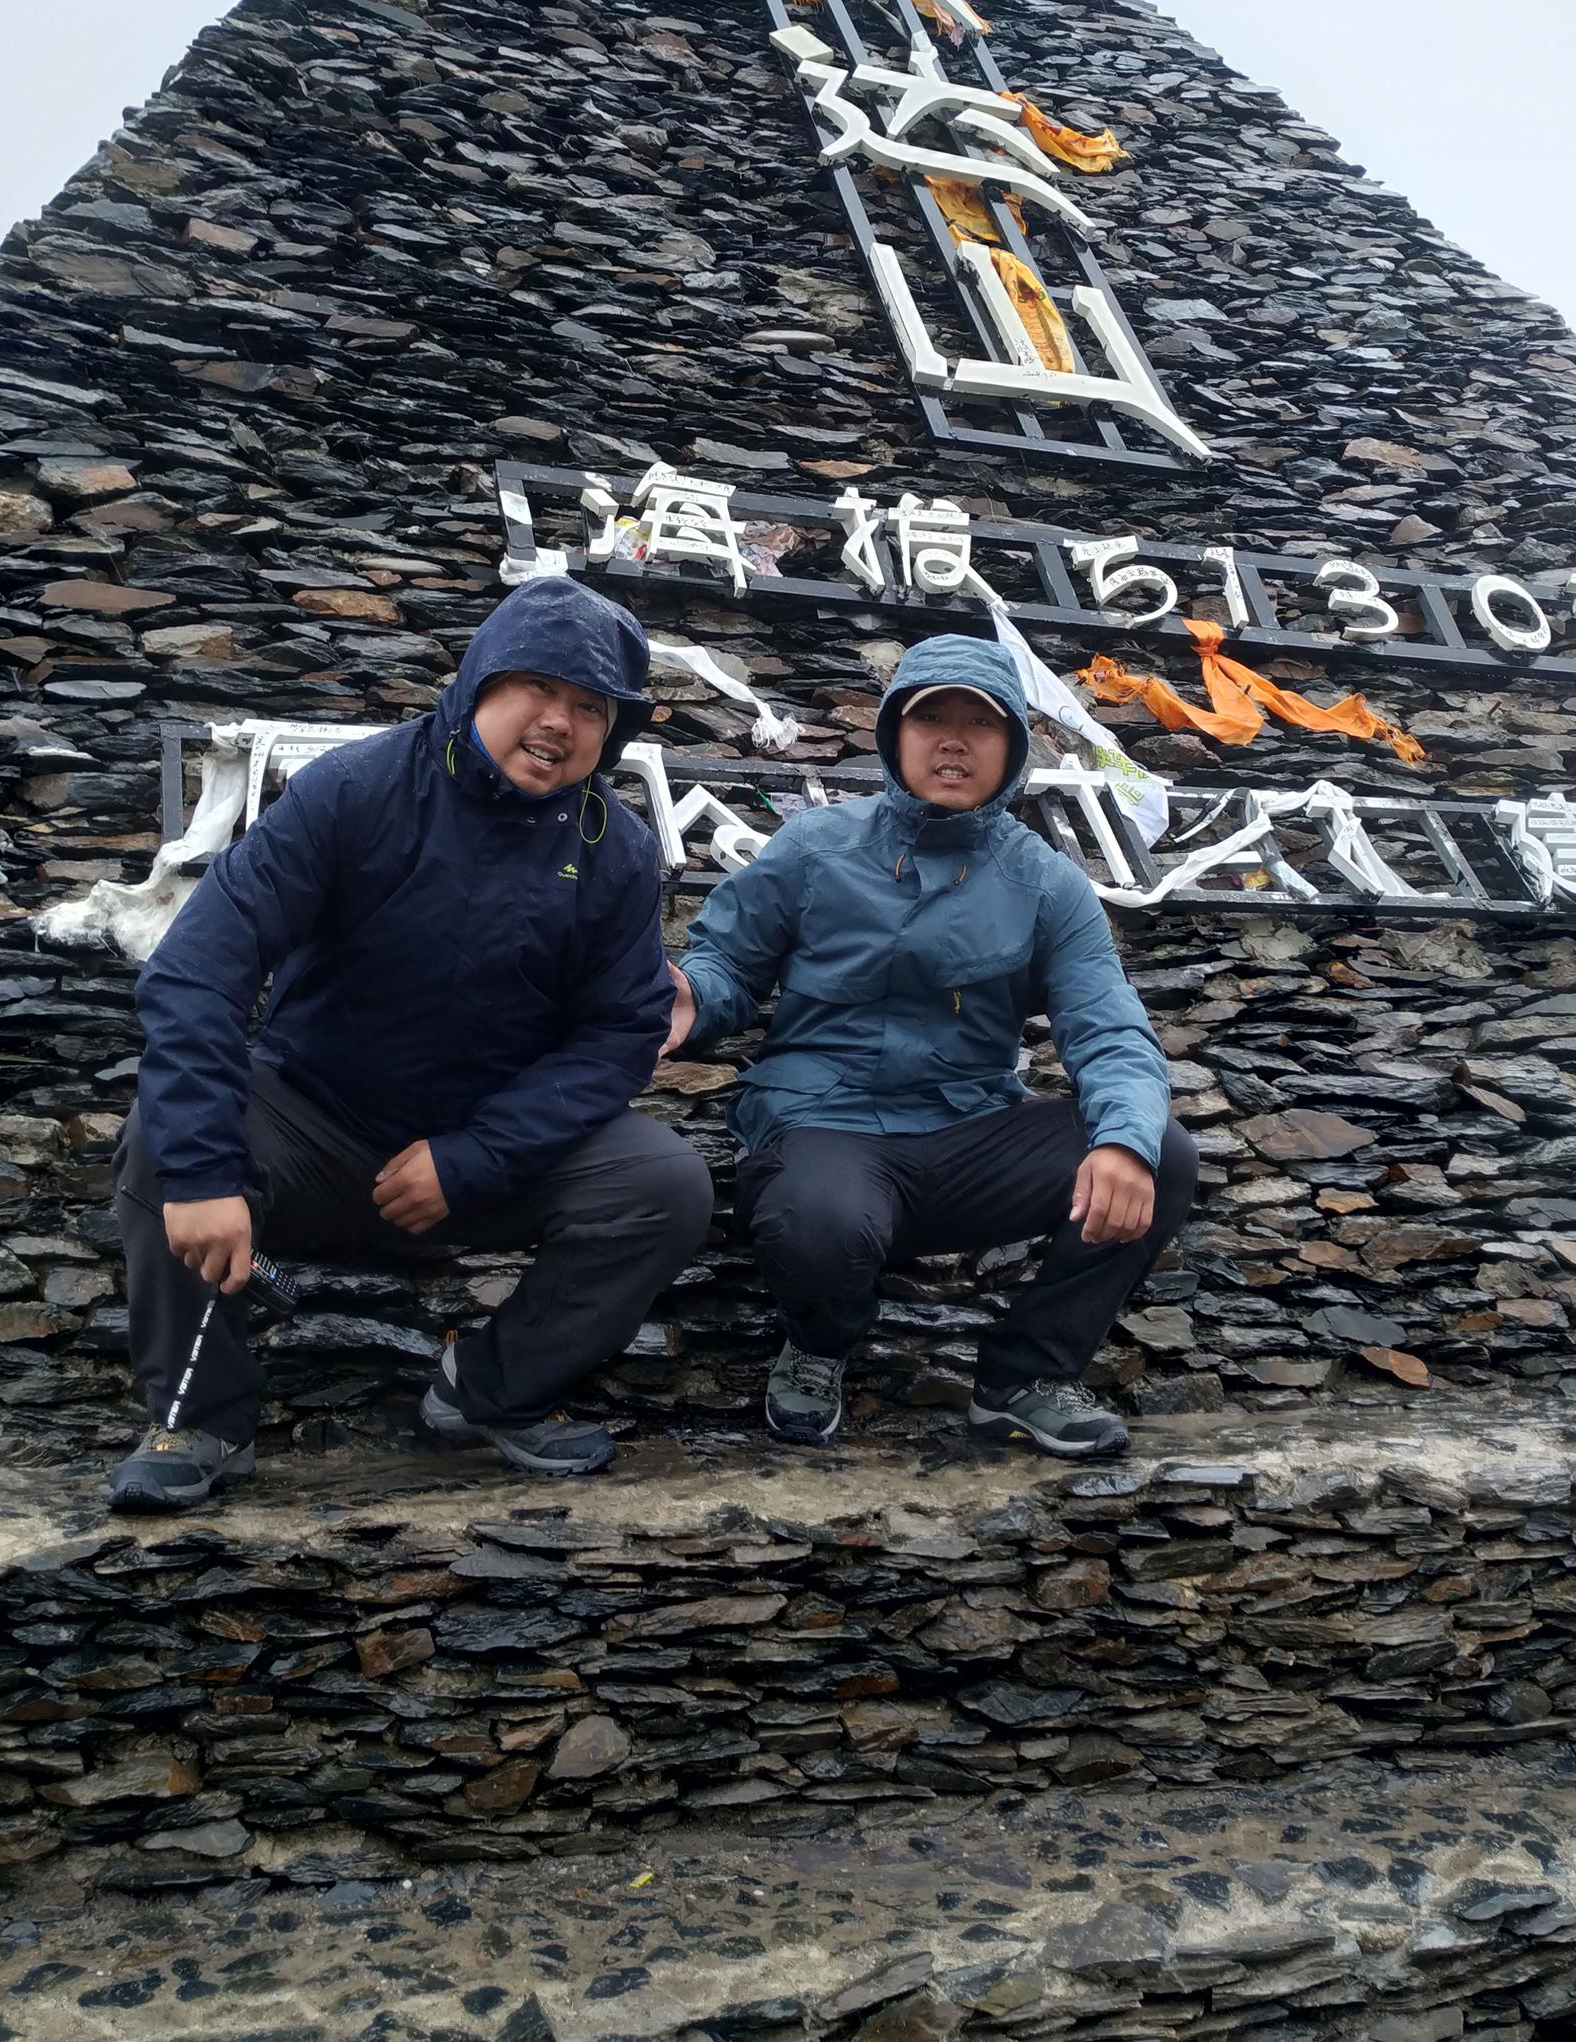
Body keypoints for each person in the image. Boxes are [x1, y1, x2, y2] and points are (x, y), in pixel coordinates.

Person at [107, 578, 710, 1510]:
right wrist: (201, 1176)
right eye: (537, 689)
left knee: (663, 1184)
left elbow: (620, 1031)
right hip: (314, 1124)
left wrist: (474, 1158)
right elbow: (200, 969)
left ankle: (489, 1388)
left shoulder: (616, 850)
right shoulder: (353, 790)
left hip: (489, 1155)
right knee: (164, 1137)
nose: (558, 722)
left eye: (590, 707)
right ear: (479, 685)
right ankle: (203, 1417)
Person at [665, 632, 1196, 1457]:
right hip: (824, 1124)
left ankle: (1022, 1378)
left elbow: (1109, 1023)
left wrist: (1124, 1137)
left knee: (1159, 1149)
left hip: (968, 1136)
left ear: (1013, 746)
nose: (953, 740)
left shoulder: (1047, 882)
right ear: (894, 735)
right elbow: (728, 962)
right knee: (821, 1216)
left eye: (978, 724)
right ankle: (816, 1348)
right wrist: (691, 1000)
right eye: (931, 718)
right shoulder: (812, 849)